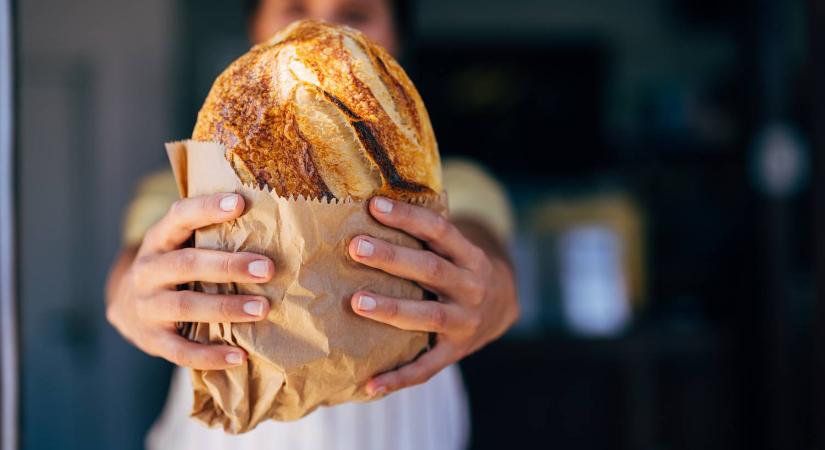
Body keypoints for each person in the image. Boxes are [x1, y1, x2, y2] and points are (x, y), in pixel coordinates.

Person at [104, 0, 519, 448]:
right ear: (256, 30)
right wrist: (132, 294)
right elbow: (133, 268)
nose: (321, 26)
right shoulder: (192, 184)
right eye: (294, 8)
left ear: (396, 41)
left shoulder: (453, 185)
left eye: (356, 13)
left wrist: (490, 293)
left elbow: (488, 258)